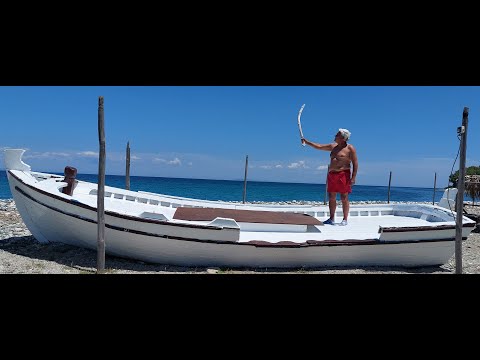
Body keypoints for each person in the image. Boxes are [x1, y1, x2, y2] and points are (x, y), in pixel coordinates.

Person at [302, 128, 358, 226]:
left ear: (343, 138)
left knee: (344, 197)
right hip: (332, 174)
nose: (335, 136)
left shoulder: (350, 148)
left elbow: (355, 163)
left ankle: (345, 219)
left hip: (343, 174)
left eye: (337, 135)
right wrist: (307, 142)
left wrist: (353, 177)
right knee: (331, 196)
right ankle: (331, 218)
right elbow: (319, 146)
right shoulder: (333, 146)